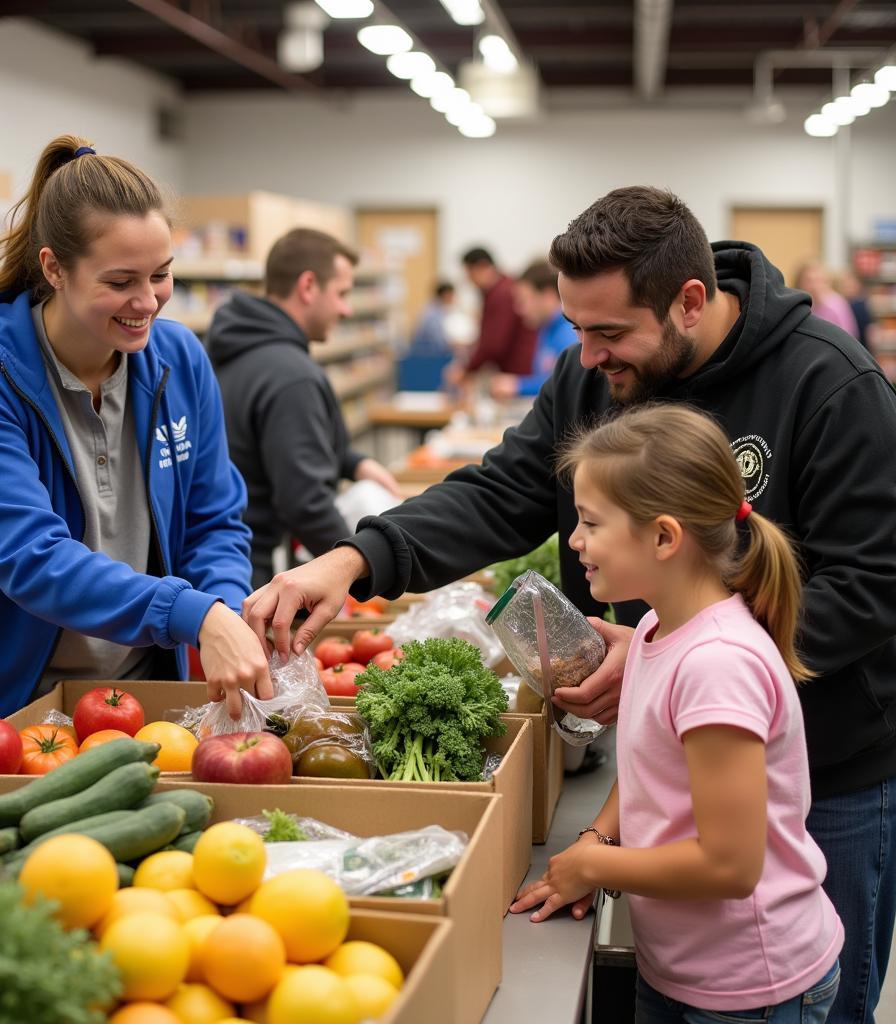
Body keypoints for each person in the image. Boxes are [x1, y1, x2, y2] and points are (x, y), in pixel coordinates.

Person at [244, 186, 896, 1023]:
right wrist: (356, 558)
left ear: (689, 302)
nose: (586, 357)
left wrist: (678, 648)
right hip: (678, 748)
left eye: (609, 333)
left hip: (831, 774)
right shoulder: (592, 372)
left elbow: (873, 584)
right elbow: (505, 491)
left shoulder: (827, 382)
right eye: (576, 329)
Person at [0, 134, 271, 765]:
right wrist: (193, 613)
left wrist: (225, 609)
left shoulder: (179, 361)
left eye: (162, 274)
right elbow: (30, 558)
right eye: (120, 281)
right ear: (54, 268)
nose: (147, 301)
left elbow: (213, 519)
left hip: (129, 691)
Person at [510, 404, 844, 1021]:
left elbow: (731, 864)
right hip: (683, 969)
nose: (574, 540)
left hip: (753, 987)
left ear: (664, 537)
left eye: (589, 523)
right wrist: (598, 835)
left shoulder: (717, 665)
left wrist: (597, 864)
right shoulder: (655, 630)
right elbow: (648, 777)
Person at [206, 227, 400, 590]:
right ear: (308, 286)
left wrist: (352, 462)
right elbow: (306, 502)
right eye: (341, 293)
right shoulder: (292, 376)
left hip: (225, 564)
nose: (346, 309)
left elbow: (275, 443)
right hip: (257, 572)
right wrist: (360, 569)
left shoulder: (240, 348)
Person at [445, 246, 537, 387]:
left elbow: (493, 344)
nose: (470, 281)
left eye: (470, 274)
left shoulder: (501, 294)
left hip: (519, 375)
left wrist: (466, 370)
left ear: (482, 267)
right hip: (517, 373)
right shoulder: (502, 288)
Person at [490, 259, 578, 400]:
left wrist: (518, 386)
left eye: (524, 300)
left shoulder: (570, 333)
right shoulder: (546, 330)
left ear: (548, 296)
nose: (519, 309)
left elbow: (565, 384)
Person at [794, 260, 859, 337]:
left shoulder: (837, 305)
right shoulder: (798, 307)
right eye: (809, 281)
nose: (814, 286)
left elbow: (849, 336)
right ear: (799, 283)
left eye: (818, 280)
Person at [836, 268, 878, 352]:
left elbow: (870, 327)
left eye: (851, 285)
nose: (848, 289)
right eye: (845, 286)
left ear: (857, 286)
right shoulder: (839, 305)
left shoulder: (861, 304)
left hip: (862, 346)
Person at [408, 280, 456, 355]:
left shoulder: (436, 309)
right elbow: (437, 339)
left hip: (428, 352)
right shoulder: (433, 313)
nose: (454, 298)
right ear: (446, 294)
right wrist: (453, 345)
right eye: (452, 295)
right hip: (426, 355)